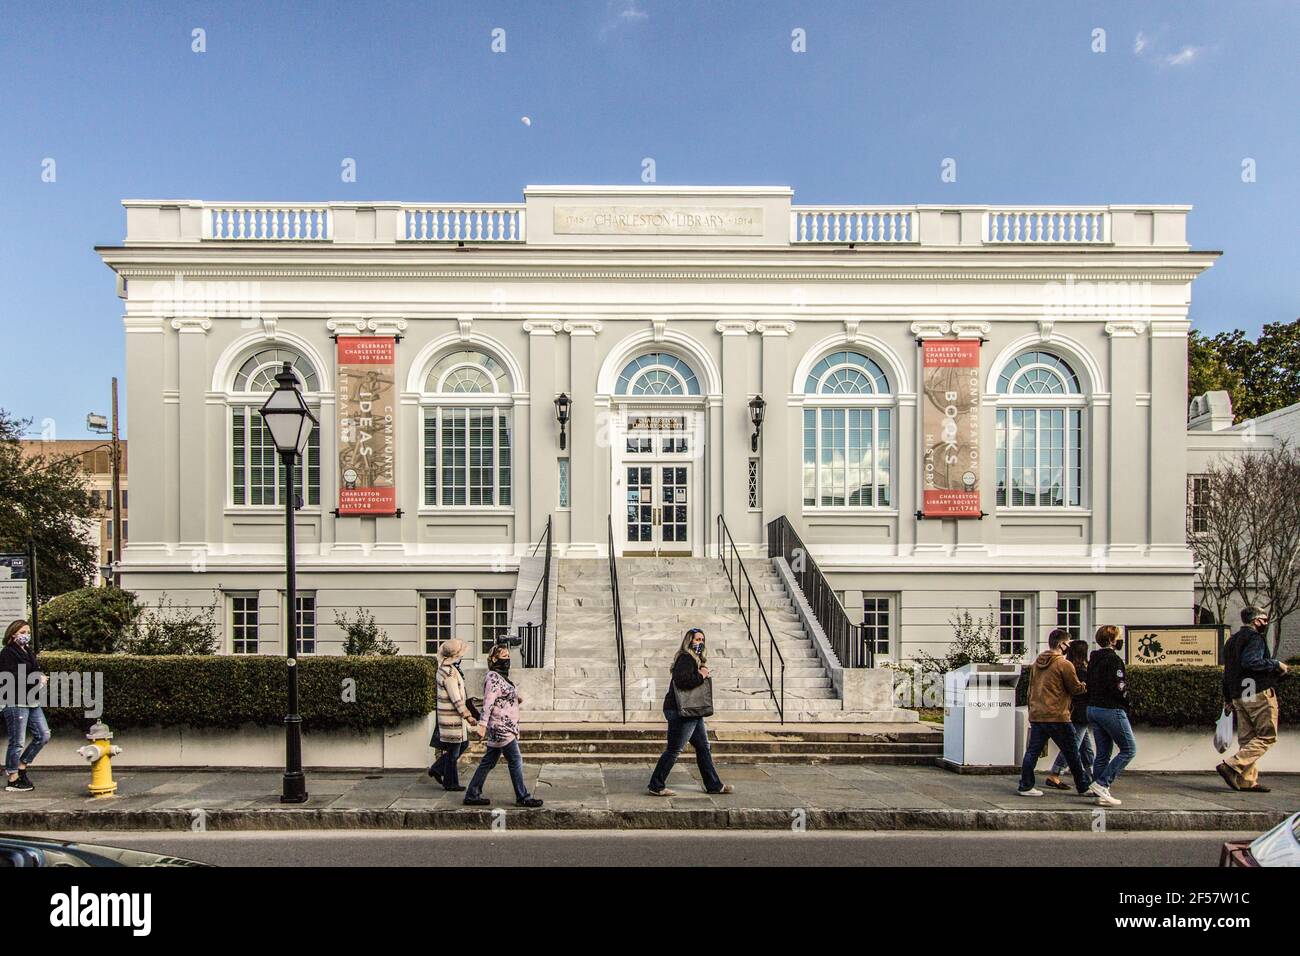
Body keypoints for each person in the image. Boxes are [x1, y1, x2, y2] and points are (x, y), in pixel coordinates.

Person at [647, 628, 732, 797]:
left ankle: (714, 785)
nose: (700, 643)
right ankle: (656, 785)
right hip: (682, 711)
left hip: (692, 711)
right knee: (674, 749)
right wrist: (701, 675)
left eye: (702, 640)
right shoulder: (686, 658)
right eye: (697, 639)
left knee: (703, 747)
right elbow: (682, 681)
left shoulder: (694, 659)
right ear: (689, 641)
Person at [1218, 605, 1290, 793]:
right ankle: (1233, 764)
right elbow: (1251, 662)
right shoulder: (1254, 638)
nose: (1265, 623)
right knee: (1267, 736)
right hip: (1258, 692)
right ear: (1256, 620)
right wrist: (1277, 664)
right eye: (1264, 620)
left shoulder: (1231, 641)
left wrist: (1228, 698)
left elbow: (1227, 673)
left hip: (1239, 695)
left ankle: (1246, 781)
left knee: (1248, 738)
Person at [462, 643, 543, 808]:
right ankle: (523, 796)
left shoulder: (501, 677)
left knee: (489, 761)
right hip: (501, 727)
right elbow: (488, 703)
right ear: (493, 659)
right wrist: (482, 725)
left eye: (508, 657)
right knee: (515, 759)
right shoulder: (492, 677)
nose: (507, 660)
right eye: (503, 657)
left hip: (505, 725)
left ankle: (472, 793)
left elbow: (502, 697)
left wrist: (515, 699)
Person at [1018, 629, 1092, 799]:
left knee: (1032, 752)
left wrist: (1032, 710)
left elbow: (1031, 688)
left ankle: (1025, 785)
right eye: (1068, 643)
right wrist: (1085, 685)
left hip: (1038, 714)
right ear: (1061, 644)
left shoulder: (1038, 662)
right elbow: (1074, 688)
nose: (1069, 647)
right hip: (1058, 715)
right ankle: (1083, 786)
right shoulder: (1064, 664)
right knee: (1072, 752)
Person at [1086, 625, 1136, 806]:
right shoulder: (1113, 660)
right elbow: (1119, 687)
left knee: (1102, 754)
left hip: (1093, 708)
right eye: (1119, 637)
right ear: (1112, 641)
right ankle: (1102, 784)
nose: (1120, 640)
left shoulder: (1094, 659)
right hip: (1110, 709)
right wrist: (1126, 703)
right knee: (1129, 749)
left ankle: (1099, 792)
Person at [2, 620, 51, 793]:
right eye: (22, 632)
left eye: (28, 632)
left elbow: (34, 669)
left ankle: (21, 766)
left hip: (31, 700)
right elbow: (11, 677)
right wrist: (35, 679)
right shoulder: (7, 653)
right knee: (17, 742)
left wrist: (40, 676)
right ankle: (13, 778)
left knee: (43, 735)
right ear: (13, 634)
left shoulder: (27, 651)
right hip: (15, 702)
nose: (26, 635)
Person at [1043, 639, 1094, 791]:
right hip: (1080, 712)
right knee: (1074, 745)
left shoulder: (1067, 667)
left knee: (1085, 746)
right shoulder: (1082, 671)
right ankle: (1055, 773)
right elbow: (1081, 691)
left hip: (1072, 711)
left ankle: (1091, 775)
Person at [427, 639, 478, 791]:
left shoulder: (448, 669)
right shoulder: (448, 673)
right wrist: (468, 716)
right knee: (454, 750)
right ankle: (450, 782)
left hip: (451, 717)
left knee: (461, 745)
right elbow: (455, 698)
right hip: (452, 717)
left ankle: (437, 769)